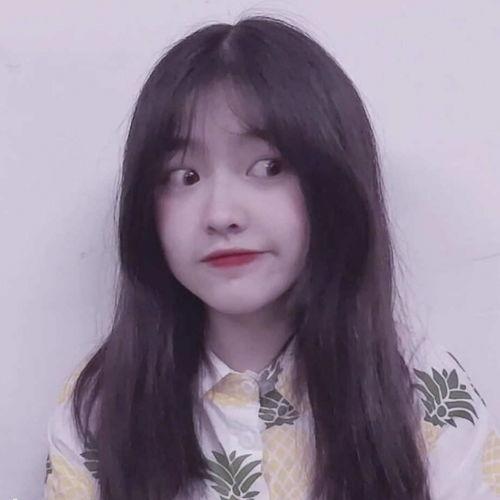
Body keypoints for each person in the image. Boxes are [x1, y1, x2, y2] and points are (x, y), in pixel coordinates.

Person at [43, 15, 500, 500]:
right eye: (184, 176)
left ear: (332, 182)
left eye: (268, 167)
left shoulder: (422, 389)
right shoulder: (101, 404)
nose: (221, 215)